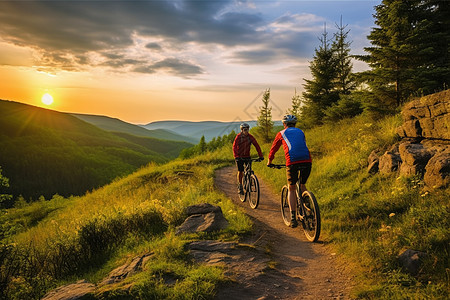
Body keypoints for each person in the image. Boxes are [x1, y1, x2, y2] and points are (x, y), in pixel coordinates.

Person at [267, 115, 312, 228]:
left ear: (284, 124)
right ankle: (309, 206)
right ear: (295, 124)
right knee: (302, 185)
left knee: (291, 188)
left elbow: (274, 148)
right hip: (307, 161)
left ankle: (292, 217)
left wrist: (269, 161)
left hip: (292, 162)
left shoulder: (281, 133)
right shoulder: (301, 132)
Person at [233, 123, 264, 195]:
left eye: (247, 129)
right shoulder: (238, 137)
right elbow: (234, 147)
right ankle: (240, 185)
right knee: (240, 171)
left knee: (249, 171)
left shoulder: (250, 137)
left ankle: (249, 182)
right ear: (242, 130)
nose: (246, 131)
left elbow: (257, 146)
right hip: (239, 157)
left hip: (247, 156)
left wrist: (260, 156)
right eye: (245, 129)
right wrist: (236, 156)